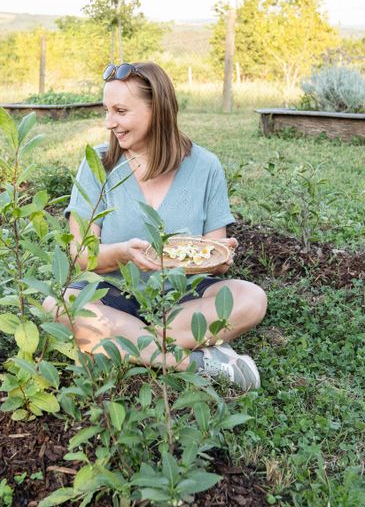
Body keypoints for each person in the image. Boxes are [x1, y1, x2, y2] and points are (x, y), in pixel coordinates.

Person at [43, 61, 267, 390]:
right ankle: (194, 361)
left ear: (158, 110)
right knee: (56, 305)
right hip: (113, 295)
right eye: (107, 110)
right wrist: (123, 254)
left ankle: (124, 344)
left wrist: (219, 260)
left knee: (251, 298)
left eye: (120, 110)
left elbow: (211, 253)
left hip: (182, 298)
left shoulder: (205, 166)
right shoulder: (98, 164)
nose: (110, 123)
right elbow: (80, 254)